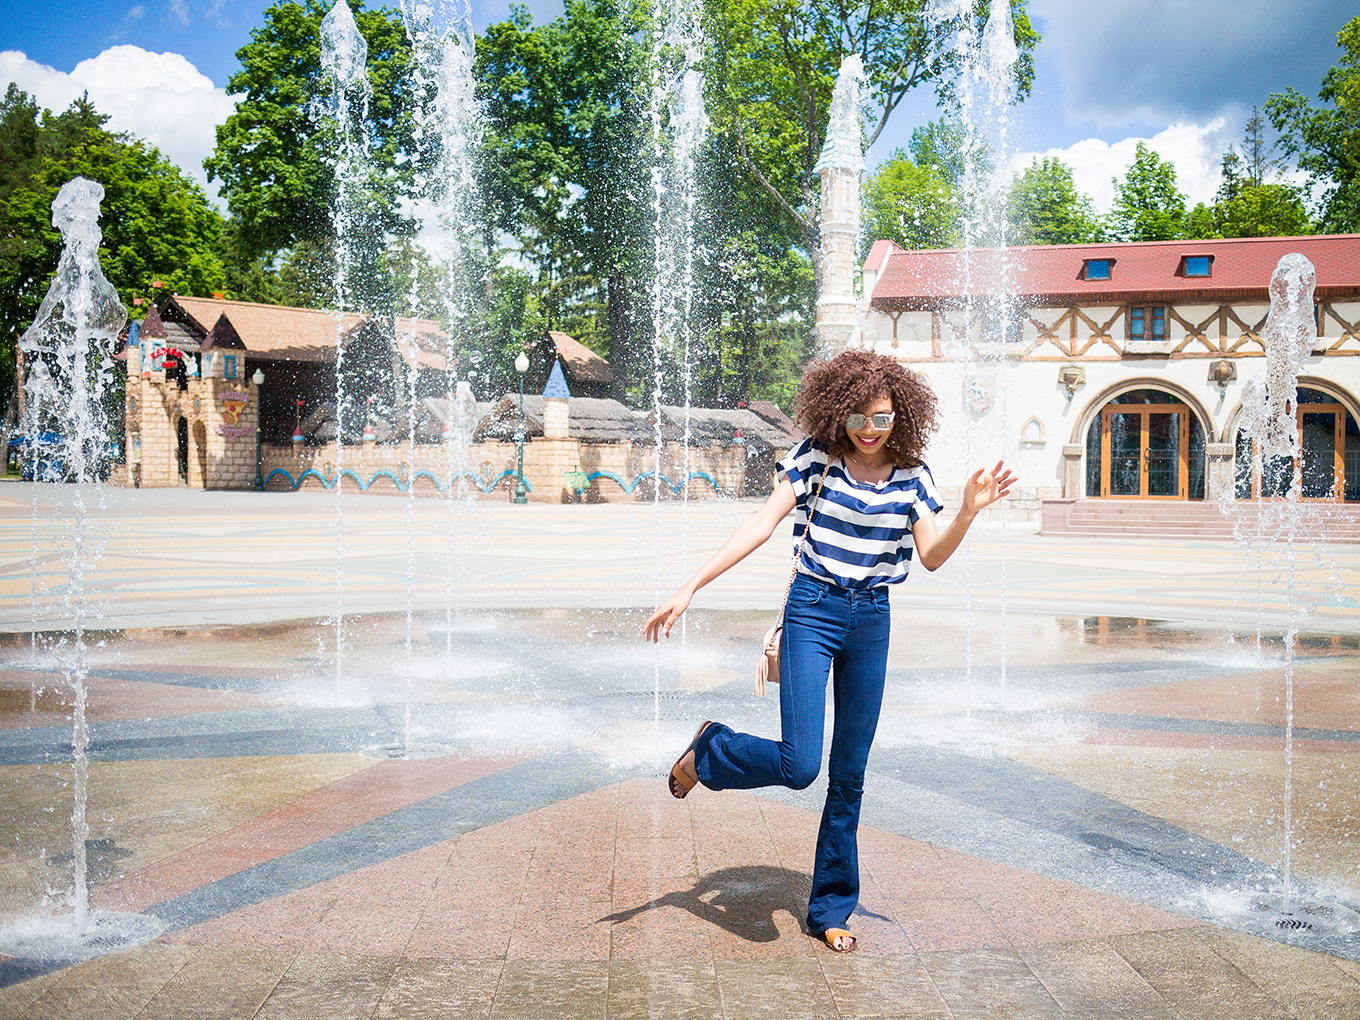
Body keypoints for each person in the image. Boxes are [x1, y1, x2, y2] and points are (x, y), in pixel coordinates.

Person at [642, 349, 1014, 954]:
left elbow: (933, 555)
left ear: (902, 417)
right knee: (801, 764)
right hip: (812, 609)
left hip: (871, 619)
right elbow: (761, 525)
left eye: (885, 418)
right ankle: (711, 748)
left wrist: (968, 510)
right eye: (861, 417)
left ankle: (830, 908)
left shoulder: (912, 475)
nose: (872, 429)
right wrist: (689, 587)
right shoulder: (816, 460)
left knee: (850, 773)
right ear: (839, 413)